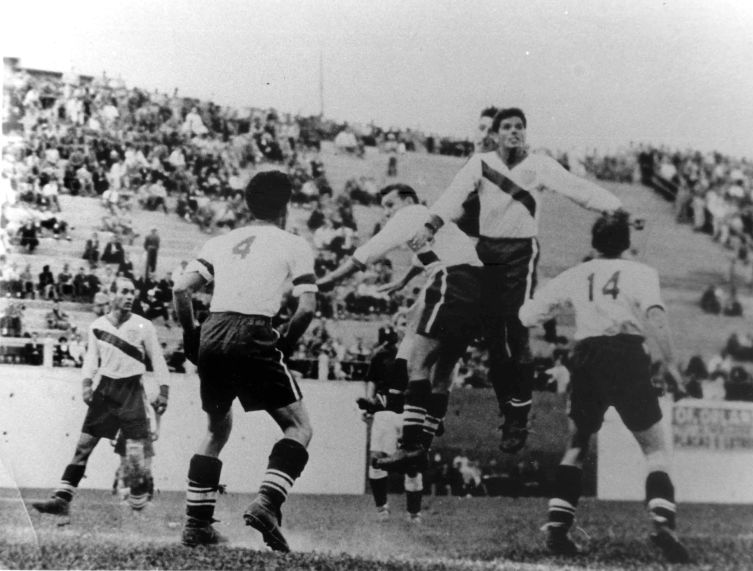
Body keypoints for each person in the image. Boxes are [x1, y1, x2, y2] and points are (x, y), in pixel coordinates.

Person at [410, 107, 621, 453]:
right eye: (507, 127)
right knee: (495, 339)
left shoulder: (539, 165)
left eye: (519, 127)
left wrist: (615, 208)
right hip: (488, 252)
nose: (514, 132)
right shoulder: (481, 163)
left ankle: (519, 418)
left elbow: (577, 188)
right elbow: (454, 195)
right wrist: (431, 224)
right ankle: (510, 411)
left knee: (516, 325)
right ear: (494, 134)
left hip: (521, 252)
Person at [518, 210, 689, 563]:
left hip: (587, 357)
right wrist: (671, 363)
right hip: (626, 355)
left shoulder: (578, 273)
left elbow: (528, 315)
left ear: (594, 242)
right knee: (655, 449)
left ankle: (558, 528)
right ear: (626, 243)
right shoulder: (641, 272)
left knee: (577, 446)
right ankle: (663, 523)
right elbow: (656, 317)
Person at [172, 170, 318, 551]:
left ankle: (196, 525)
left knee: (217, 428)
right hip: (253, 331)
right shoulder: (293, 243)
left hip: (213, 331)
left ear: (247, 203)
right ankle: (268, 503)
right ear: (286, 205)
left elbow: (181, 289)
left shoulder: (220, 241)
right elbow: (306, 308)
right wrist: (282, 343)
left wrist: (192, 335)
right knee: (299, 427)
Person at [317, 183, 482, 478]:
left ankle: (408, 439)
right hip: (477, 288)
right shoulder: (432, 221)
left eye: (390, 205)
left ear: (407, 201)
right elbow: (423, 257)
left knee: (419, 362)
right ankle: (421, 444)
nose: (387, 212)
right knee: (441, 372)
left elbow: (366, 254)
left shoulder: (410, 214)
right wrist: (403, 282)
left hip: (452, 282)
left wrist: (328, 280)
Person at [31, 277, 170, 517]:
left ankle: (139, 503)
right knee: (83, 447)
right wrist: (86, 384)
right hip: (105, 391)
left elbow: (158, 360)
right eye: (124, 292)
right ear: (112, 293)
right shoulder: (97, 325)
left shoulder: (143, 326)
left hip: (132, 393)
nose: (129, 297)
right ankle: (61, 500)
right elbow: (90, 360)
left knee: (136, 458)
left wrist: (164, 392)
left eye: (132, 293)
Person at [358, 337, 426, 523]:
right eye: (400, 322)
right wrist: (368, 406)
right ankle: (382, 509)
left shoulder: (423, 349)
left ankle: (414, 514)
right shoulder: (382, 355)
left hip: (411, 412)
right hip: (384, 412)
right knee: (377, 460)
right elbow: (371, 380)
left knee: (412, 465)